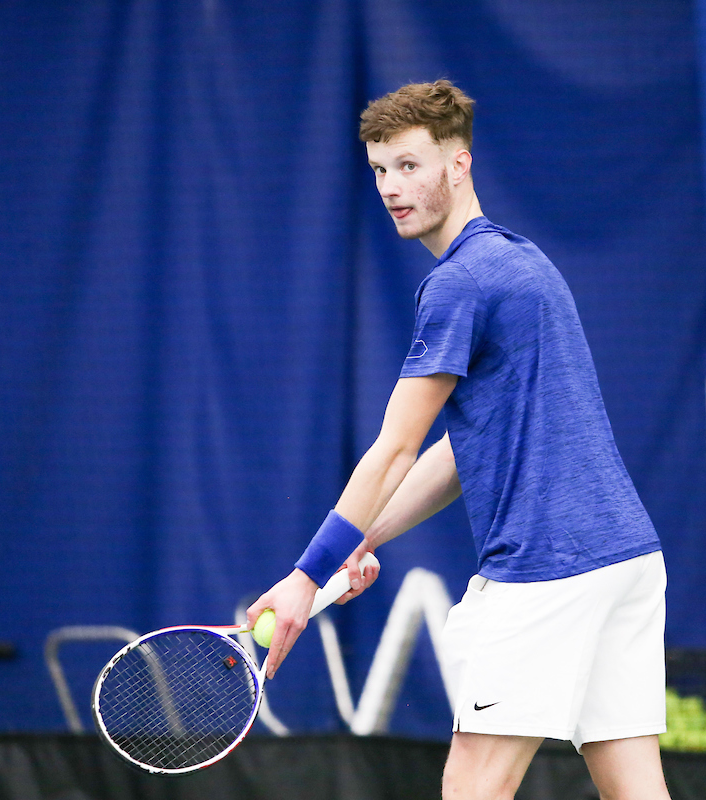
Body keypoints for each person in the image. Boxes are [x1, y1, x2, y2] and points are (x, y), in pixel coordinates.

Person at [247, 80, 671, 800]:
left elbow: (395, 448)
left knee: (472, 786)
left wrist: (306, 576)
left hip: (547, 569)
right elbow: (460, 452)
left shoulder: (459, 283)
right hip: (625, 561)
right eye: (380, 169)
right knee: (636, 790)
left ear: (459, 164)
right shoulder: (523, 262)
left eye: (410, 165)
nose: (391, 187)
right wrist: (366, 536)